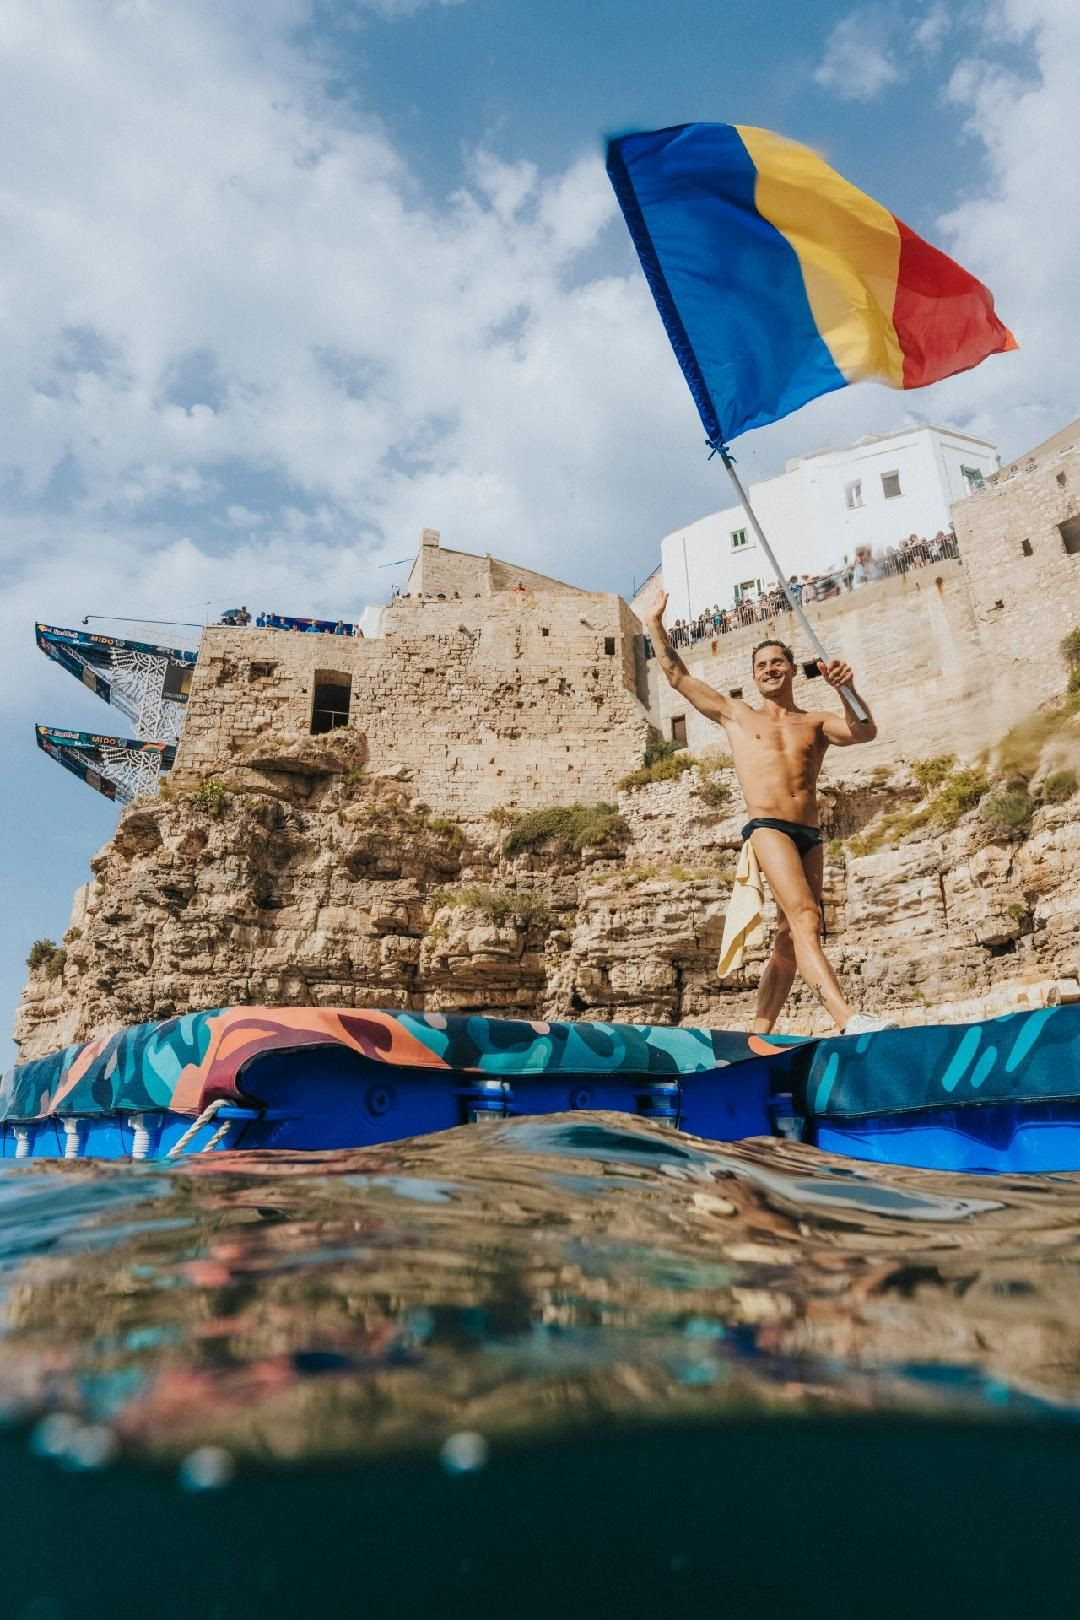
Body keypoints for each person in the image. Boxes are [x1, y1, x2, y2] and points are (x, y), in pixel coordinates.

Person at [644, 588, 894, 1036]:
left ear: (793, 670)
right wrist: (655, 624)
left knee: (788, 940)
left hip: (810, 834)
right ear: (754, 677)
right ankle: (849, 1019)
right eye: (761, 666)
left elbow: (864, 731)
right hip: (768, 828)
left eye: (777, 662)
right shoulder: (737, 715)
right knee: (805, 917)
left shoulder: (815, 722)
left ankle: (759, 1032)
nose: (769, 670)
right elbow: (678, 677)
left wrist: (847, 688)